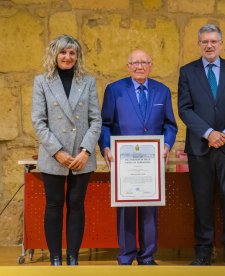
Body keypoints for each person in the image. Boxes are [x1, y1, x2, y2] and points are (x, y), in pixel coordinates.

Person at [178, 24, 225, 266]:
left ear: (220, 43)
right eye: (204, 42)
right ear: (199, 44)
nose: (209, 45)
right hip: (200, 147)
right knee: (202, 199)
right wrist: (209, 133)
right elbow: (185, 109)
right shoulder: (187, 72)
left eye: (213, 41)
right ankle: (203, 249)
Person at [99, 49, 177, 265]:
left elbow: (170, 125)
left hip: (151, 161)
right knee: (125, 209)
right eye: (135, 63)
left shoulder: (162, 91)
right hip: (124, 161)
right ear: (128, 66)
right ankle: (126, 255)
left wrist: (167, 145)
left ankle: (147, 256)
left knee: (149, 209)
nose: (139, 66)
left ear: (151, 66)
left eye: (144, 62)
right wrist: (105, 147)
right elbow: (105, 124)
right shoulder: (114, 90)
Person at [31, 34, 102, 266]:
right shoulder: (42, 81)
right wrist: (57, 151)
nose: (67, 57)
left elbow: (96, 121)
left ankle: (72, 257)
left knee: (76, 204)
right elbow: (38, 121)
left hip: (81, 156)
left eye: (72, 53)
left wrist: (86, 151)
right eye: (63, 52)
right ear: (55, 54)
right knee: (53, 204)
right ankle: (55, 258)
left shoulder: (88, 82)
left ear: (77, 56)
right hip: (54, 156)